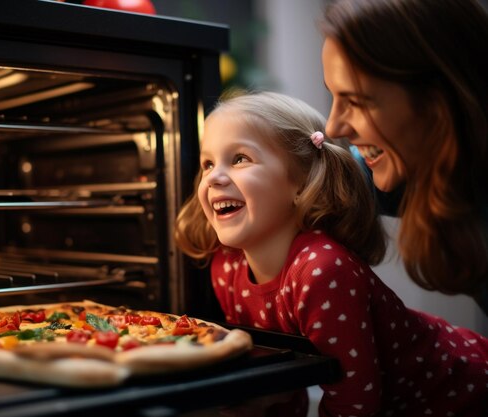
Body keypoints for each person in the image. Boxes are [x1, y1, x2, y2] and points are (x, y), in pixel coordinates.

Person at [174, 91, 488, 416]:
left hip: (462, 391)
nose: (213, 177)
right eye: (207, 163)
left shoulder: (322, 269)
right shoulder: (226, 267)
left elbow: (354, 402)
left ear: (300, 183)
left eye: (240, 158)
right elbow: (282, 379)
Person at [319, 0, 488, 314]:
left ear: (436, 108)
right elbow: (319, 176)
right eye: (333, 95)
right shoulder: (419, 163)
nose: (334, 126)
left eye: (355, 101)